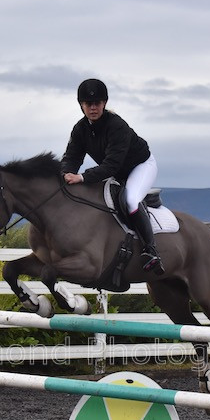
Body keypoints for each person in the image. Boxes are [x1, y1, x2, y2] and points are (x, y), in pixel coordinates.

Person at [61, 78, 164, 274]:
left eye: (97, 103)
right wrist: (66, 174)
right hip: (116, 171)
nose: (93, 108)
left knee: (131, 200)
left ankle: (151, 251)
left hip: (140, 166)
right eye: (88, 104)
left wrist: (82, 178)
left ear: (104, 103)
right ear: (81, 105)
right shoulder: (80, 129)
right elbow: (72, 156)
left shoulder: (117, 125)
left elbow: (111, 165)